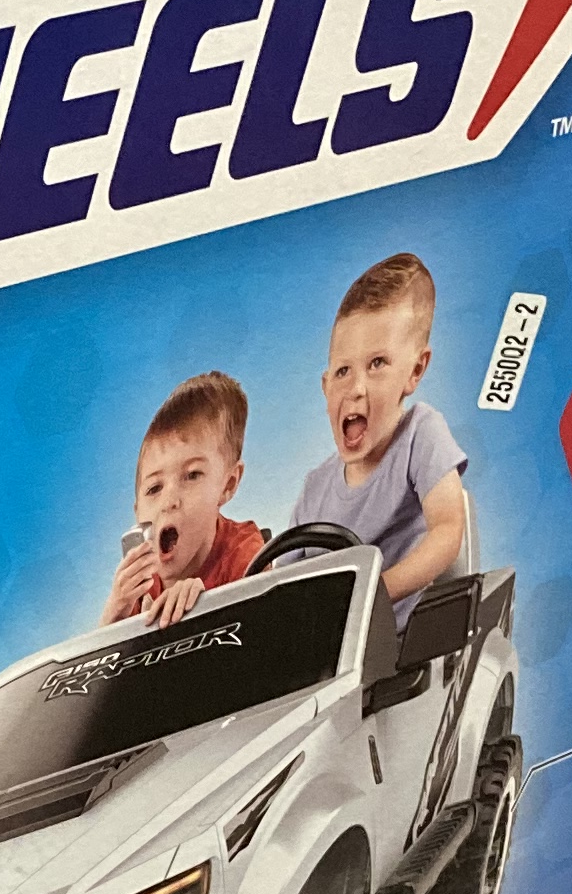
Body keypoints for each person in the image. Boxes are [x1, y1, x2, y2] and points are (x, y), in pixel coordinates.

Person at [295, 253, 468, 610]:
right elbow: (280, 584)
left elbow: (448, 531)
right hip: (332, 637)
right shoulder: (314, 490)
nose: (355, 388)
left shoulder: (421, 434)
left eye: (377, 364)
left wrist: (372, 597)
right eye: (343, 371)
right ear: (325, 387)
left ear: (415, 371)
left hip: (403, 632)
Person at [103, 371, 267, 627]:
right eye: (154, 489)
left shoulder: (242, 550)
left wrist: (206, 606)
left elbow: (267, 626)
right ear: (137, 512)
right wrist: (115, 614)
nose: (169, 500)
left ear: (228, 485)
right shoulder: (141, 583)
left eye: (192, 475)